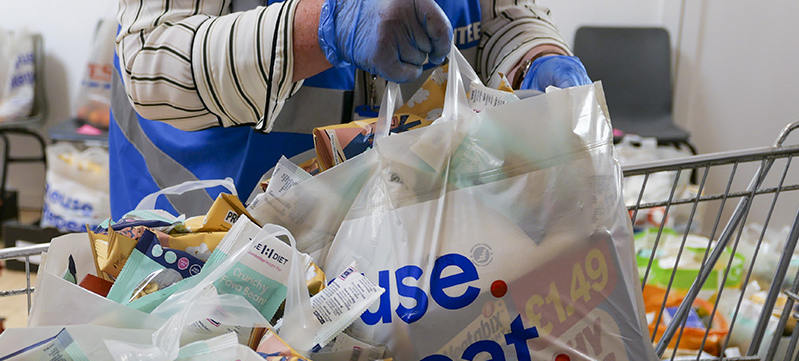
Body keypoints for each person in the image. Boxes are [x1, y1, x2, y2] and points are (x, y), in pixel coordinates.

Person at [109, 0, 591, 216]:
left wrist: (534, 58)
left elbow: (501, 16)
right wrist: (322, 27)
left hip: (403, 250)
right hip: (215, 249)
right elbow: (154, 59)